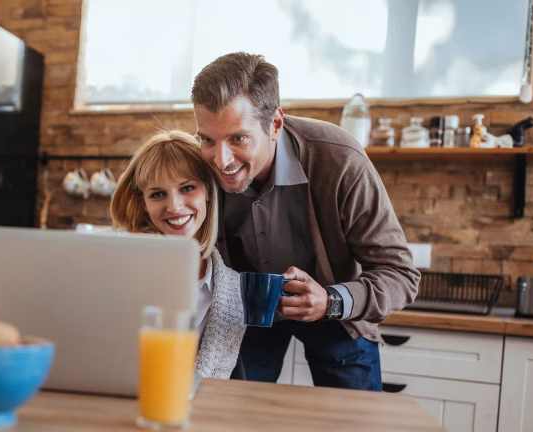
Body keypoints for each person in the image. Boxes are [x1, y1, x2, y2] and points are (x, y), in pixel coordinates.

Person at [191, 52, 420, 390]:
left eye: (238, 138)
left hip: (336, 312)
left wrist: (331, 301)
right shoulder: (200, 163)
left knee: (352, 415)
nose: (221, 161)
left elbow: (400, 274)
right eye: (208, 139)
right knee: (230, 411)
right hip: (249, 316)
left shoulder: (340, 160)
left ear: (275, 125)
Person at [110, 129, 245, 379]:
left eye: (187, 188)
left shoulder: (233, 289)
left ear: (208, 191)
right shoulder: (123, 270)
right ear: (144, 204)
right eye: (157, 194)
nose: (174, 206)